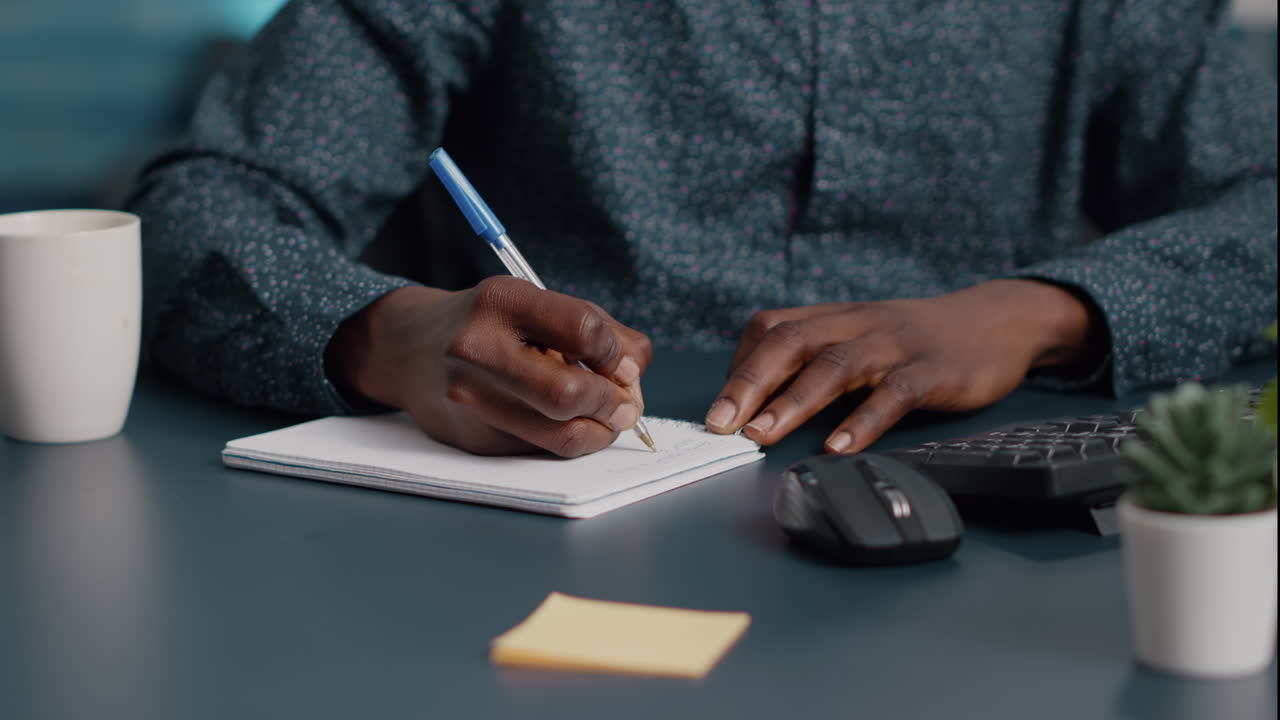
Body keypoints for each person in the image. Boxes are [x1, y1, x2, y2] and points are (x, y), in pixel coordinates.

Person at [127, 0, 1277, 459]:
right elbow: (202, 203)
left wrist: (1040, 312)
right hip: (536, 511)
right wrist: (385, 333)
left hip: (975, 505)